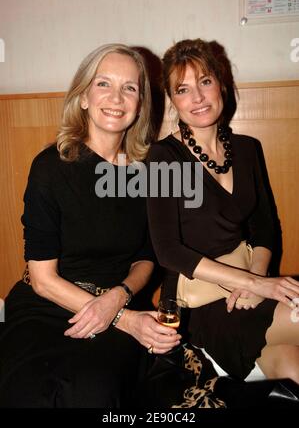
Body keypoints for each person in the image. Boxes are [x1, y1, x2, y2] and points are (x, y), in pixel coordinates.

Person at [0, 43, 181, 408]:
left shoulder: (149, 172)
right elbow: (42, 279)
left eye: (129, 87)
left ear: (140, 103)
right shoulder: (50, 167)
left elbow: (148, 257)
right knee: (23, 394)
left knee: (93, 393)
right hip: (47, 305)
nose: (116, 97)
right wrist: (121, 317)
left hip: (120, 304)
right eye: (103, 84)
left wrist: (118, 300)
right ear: (83, 97)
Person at [146, 38, 299, 385]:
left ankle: (241, 369)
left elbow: (265, 226)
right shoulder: (164, 157)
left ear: (222, 84)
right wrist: (253, 284)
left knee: (293, 363)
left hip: (247, 289)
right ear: (173, 101)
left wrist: (257, 283)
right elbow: (167, 250)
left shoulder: (246, 149)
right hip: (201, 305)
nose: (198, 98)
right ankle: (213, 353)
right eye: (183, 90)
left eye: (205, 82)